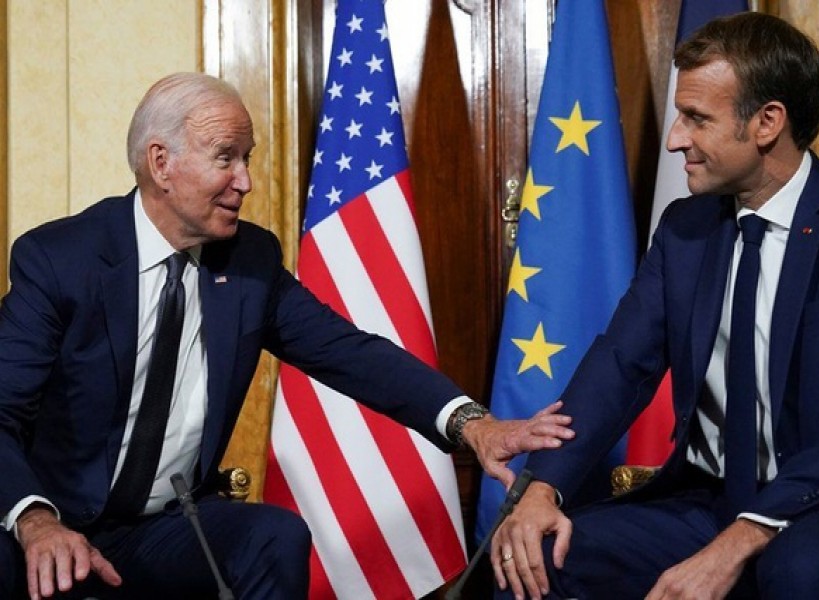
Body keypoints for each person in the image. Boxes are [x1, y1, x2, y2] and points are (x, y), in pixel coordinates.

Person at [0, 72, 575, 600]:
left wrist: (470, 424)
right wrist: (36, 520)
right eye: (225, 158)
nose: (245, 182)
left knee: (273, 536)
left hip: (162, 528)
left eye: (247, 158)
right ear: (161, 163)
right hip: (49, 524)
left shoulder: (248, 261)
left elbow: (350, 353)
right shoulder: (60, 260)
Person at [491, 12, 819, 600]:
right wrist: (542, 489)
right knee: (536, 560)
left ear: (767, 123)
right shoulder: (685, 229)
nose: (675, 138)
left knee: (801, 568)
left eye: (697, 119)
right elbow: (618, 366)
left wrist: (743, 536)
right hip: (708, 498)